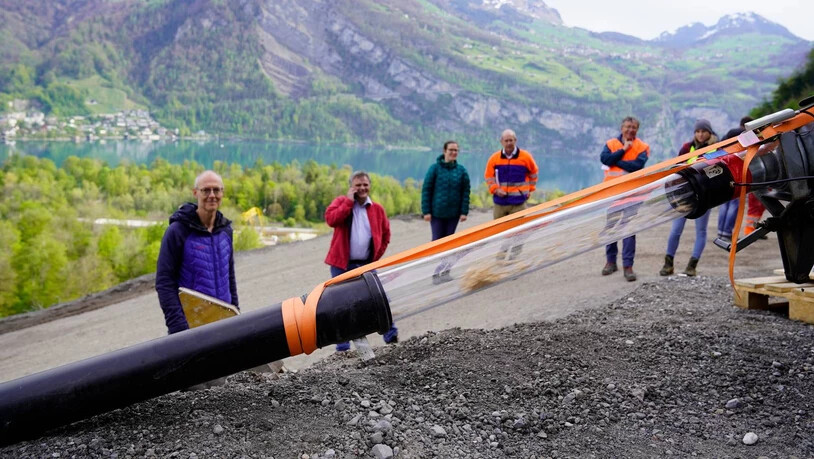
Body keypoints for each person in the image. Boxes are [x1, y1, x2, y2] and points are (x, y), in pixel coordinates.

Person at [155, 170, 238, 334]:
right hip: (191, 326)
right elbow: (164, 282)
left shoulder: (225, 231)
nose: (212, 195)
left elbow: (229, 277)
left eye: (216, 190)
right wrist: (179, 327)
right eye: (206, 190)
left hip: (223, 323)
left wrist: (235, 312)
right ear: (195, 193)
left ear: (222, 193)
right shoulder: (178, 231)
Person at [325, 170, 397, 351]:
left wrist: (374, 258)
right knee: (341, 305)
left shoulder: (377, 209)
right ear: (351, 187)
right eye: (358, 185)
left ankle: (391, 336)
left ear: (370, 186)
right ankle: (343, 347)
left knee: (379, 298)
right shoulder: (341, 202)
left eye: (365, 184)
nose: (362, 188)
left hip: (366, 264)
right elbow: (331, 220)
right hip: (341, 265)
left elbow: (386, 235)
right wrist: (348, 202)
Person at [660, 119, 719, 277]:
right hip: (684, 195)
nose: (700, 134)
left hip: (705, 196)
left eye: (703, 131)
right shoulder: (687, 147)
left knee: (701, 231)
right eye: (697, 131)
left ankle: (692, 265)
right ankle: (668, 263)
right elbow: (676, 169)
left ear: (709, 132)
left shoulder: (716, 149)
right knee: (675, 230)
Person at [599, 116, 650, 282]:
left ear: (637, 130)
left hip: (633, 195)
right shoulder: (611, 144)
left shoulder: (643, 147)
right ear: (622, 128)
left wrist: (616, 160)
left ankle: (628, 266)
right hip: (612, 194)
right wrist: (623, 150)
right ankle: (610, 262)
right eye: (627, 127)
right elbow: (605, 159)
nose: (630, 130)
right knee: (611, 227)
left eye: (633, 127)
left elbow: (637, 166)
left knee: (629, 230)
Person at [422, 140, 471, 284]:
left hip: (453, 215)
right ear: (444, 151)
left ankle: (444, 271)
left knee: (450, 244)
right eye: (451, 150)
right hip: (437, 214)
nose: (454, 152)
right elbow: (426, 190)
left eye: (456, 150)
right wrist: (426, 211)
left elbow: (466, 192)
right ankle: (434, 271)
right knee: (437, 243)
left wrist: (464, 211)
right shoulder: (434, 169)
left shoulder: (461, 171)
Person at [484, 129, 539, 219]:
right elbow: (489, 177)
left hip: (518, 203)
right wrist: (496, 189)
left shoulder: (526, 157)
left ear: (515, 140)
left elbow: (534, 173)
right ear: (501, 142)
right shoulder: (494, 158)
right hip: (500, 203)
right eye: (506, 141)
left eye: (511, 140)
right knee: (499, 227)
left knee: (518, 228)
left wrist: (530, 189)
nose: (509, 143)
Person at [716, 116, 753, 241]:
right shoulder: (745, 135)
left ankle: (721, 232)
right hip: (736, 172)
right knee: (734, 203)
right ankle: (727, 233)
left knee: (725, 202)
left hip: (724, 170)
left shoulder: (729, 134)